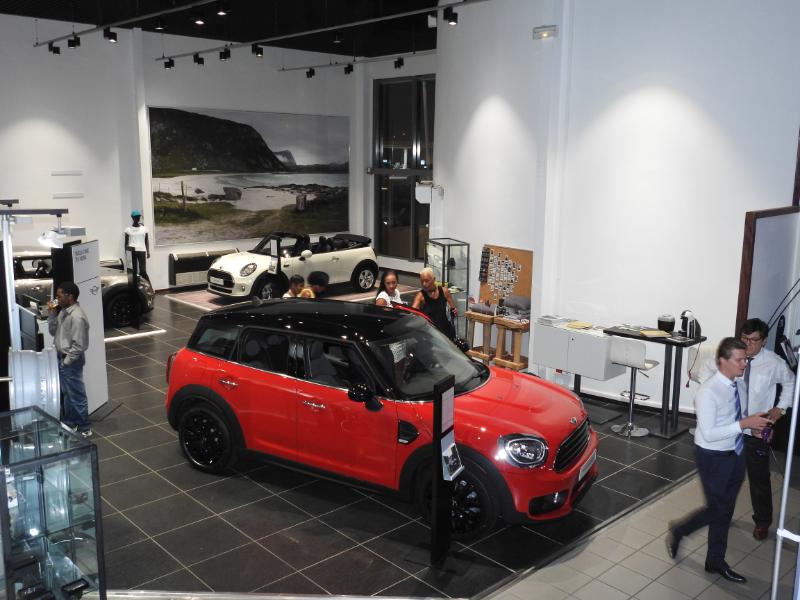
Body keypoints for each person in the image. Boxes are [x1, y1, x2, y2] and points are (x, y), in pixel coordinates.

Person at [666, 338, 771, 583]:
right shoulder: (707, 392)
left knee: (726, 509)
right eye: (739, 360)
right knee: (718, 508)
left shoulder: (738, 386)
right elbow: (710, 433)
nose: (744, 364)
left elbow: (733, 421)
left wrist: (752, 429)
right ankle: (680, 530)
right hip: (712, 456)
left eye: (745, 359)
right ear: (723, 361)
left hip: (735, 452)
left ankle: (714, 560)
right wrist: (744, 424)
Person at [697, 318, 795, 540]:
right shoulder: (732, 357)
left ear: (764, 341)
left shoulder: (773, 363)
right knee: (727, 478)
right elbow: (705, 371)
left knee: (759, 479)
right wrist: (714, 395)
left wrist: (780, 409)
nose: (748, 344)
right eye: (744, 338)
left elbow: (791, 382)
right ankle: (723, 516)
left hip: (756, 431)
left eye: (754, 340)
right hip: (730, 430)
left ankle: (762, 521)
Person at [48, 282, 92, 438]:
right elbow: (53, 331)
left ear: (70, 297)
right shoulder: (63, 312)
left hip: (71, 361)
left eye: (59, 296)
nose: (57, 299)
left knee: (77, 395)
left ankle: (84, 428)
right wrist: (52, 314)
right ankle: (70, 423)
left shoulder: (77, 317)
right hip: (62, 358)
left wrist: (66, 362)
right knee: (68, 394)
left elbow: (79, 346)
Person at [412, 267, 457, 339]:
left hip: (445, 332)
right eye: (422, 281)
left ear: (434, 279)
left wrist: (454, 311)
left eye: (426, 281)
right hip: (430, 335)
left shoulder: (444, 291)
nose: (424, 284)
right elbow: (412, 312)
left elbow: (453, 309)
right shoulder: (420, 296)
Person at [124, 210, 150, 282]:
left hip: (142, 251)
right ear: (132, 218)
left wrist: (148, 251)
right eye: (136, 217)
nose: (138, 218)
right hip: (132, 251)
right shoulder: (128, 229)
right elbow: (126, 243)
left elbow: (146, 241)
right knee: (133, 270)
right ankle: (135, 285)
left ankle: (147, 285)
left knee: (143, 271)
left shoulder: (144, 229)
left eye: (138, 217)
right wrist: (126, 253)